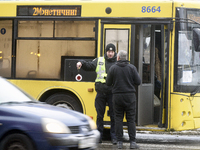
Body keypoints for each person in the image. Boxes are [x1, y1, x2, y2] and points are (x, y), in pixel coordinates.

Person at [76, 43, 117, 144]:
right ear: (106, 52)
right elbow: (89, 66)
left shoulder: (117, 62)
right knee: (100, 116)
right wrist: (81, 62)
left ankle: (114, 137)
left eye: (112, 52)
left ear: (114, 52)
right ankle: (99, 137)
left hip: (112, 93)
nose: (110, 54)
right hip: (101, 93)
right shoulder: (100, 60)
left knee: (113, 115)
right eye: (109, 52)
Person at [106, 50, 141, 149]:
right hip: (130, 96)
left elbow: (108, 83)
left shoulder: (113, 68)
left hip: (117, 96)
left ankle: (119, 143)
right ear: (126, 58)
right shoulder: (132, 68)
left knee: (118, 119)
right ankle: (132, 142)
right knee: (131, 119)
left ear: (118, 58)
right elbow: (138, 81)